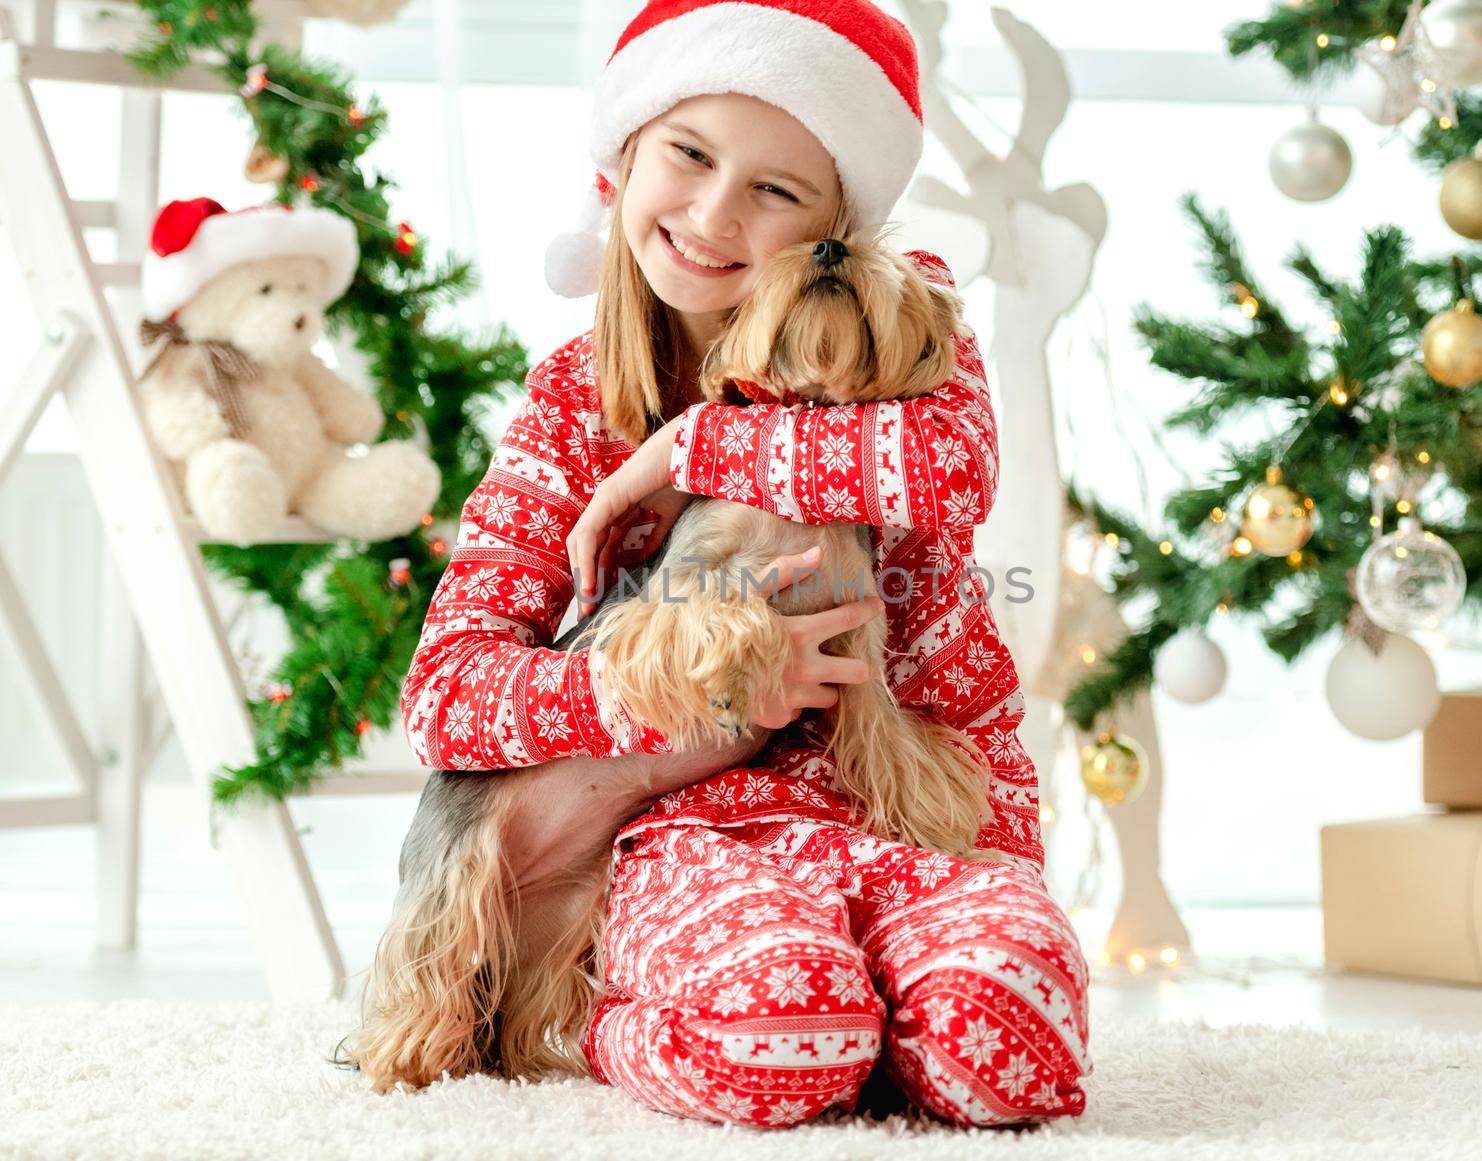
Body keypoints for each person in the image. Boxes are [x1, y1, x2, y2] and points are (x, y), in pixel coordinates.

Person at [398, 0, 1091, 1127]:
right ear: (625, 160)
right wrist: (692, 695)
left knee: (1007, 1036)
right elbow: (444, 701)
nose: (715, 212)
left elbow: (950, 474)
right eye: (689, 153)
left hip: (905, 826)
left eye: (776, 191)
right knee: (782, 1034)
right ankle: (584, 1022)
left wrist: (694, 444)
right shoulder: (573, 407)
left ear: (840, 228)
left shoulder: (899, 321)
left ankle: (881, 1015)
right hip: (684, 840)